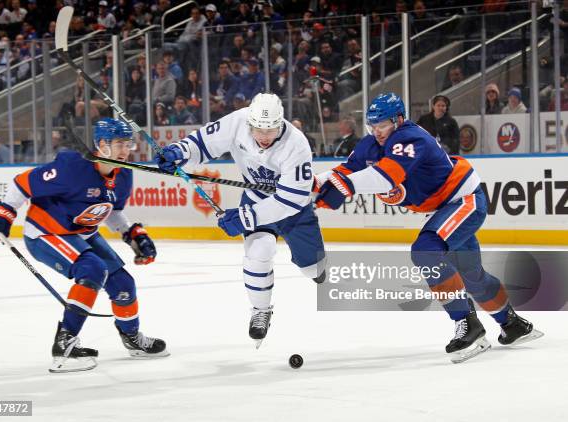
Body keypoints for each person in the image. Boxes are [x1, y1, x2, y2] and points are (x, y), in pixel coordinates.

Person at [314, 93, 542, 362]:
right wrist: (311, 185)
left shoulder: (410, 138)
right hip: (447, 205)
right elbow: (344, 172)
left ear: (399, 119)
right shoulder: (371, 144)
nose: (377, 132)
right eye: (372, 126)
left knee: (426, 251)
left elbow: (386, 177)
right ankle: (512, 324)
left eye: (383, 125)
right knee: (472, 274)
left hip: (464, 200)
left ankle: (469, 325)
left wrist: (344, 188)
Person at [0, 118, 168, 373]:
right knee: (92, 269)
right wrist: (2, 215)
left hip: (82, 231)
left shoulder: (124, 175)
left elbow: (111, 210)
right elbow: (22, 182)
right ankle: (65, 344)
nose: (126, 151)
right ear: (102, 145)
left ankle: (132, 338)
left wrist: (132, 234)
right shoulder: (72, 168)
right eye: (119, 144)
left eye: (128, 144)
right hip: (47, 231)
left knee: (123, 284)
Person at [155, 93, 326, 346]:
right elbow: (203, 144)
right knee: (259, 251)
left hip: (293, 209)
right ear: (250, 123)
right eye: (258, 129)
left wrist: (247, 217)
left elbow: (290, 200)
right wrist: (178, 152)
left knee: (313, 268)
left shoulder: (296, 144)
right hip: (256, 198)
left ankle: (316, 268)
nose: (264, 137)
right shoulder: (238, 121)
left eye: (271, 130)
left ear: (281, 123)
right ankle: (260, 310)